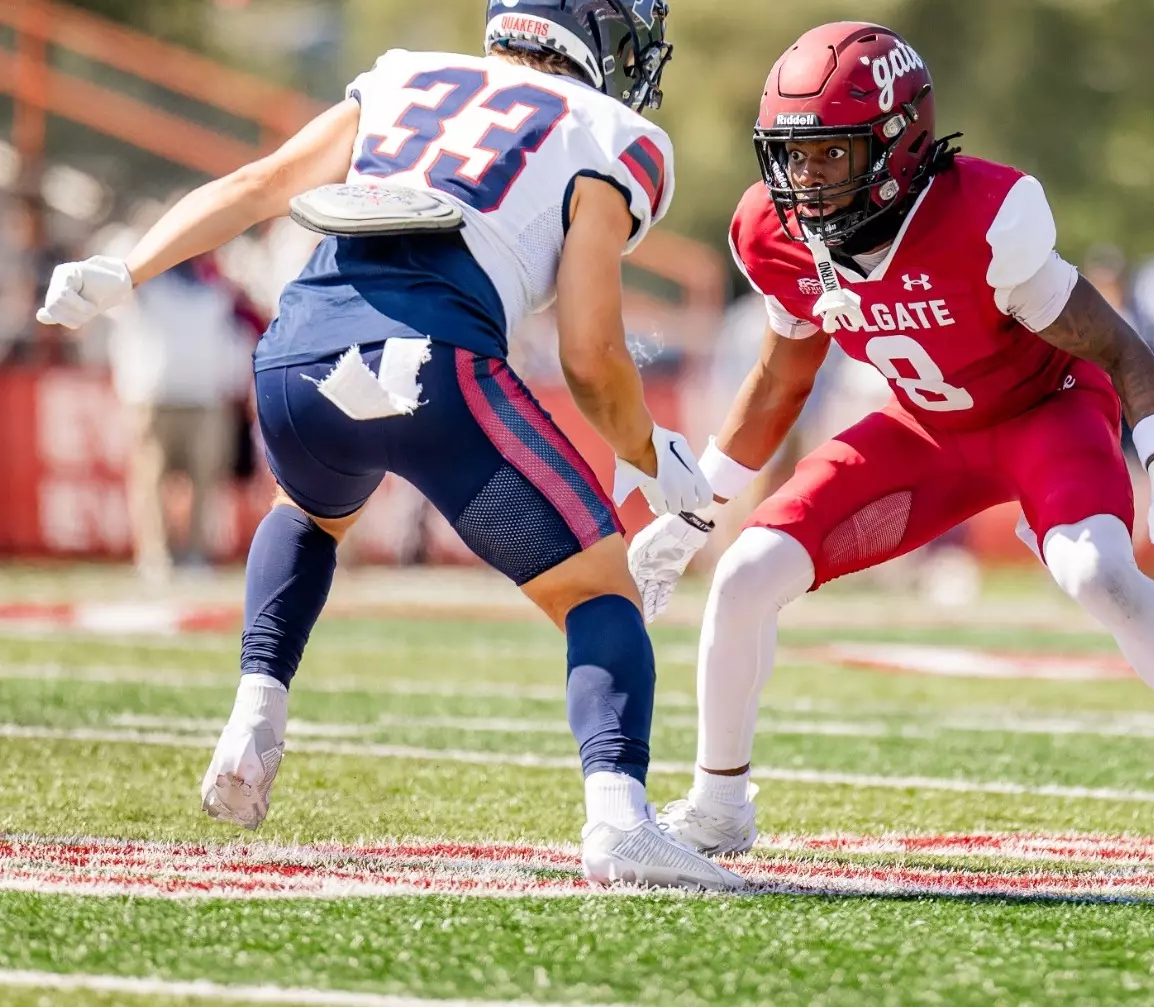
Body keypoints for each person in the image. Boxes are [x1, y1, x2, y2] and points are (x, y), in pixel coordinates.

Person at [36, 0, 740, 891]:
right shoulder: (609, 129)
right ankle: (619, 822)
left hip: (294, 356)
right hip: (435, 364)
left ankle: (254, 717)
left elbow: (262, 184)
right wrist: (647, 448)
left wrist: (125, 269)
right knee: (598, 591)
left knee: (311, 513)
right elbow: (593, 352)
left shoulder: (408, 73)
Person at [628, 22, 1154, 883]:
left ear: (898, 145)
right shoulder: (774, 234)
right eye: (790, 156)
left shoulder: (986, 215)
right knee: (743, 575)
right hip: (925, 426)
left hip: (1047, 413)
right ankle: (718, 802)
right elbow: (780, 384)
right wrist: (696, 504)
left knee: (1098, 574)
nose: (802, 182)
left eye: (829, 157)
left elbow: (1120, 352)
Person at [106, 242, 262, 580]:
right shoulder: (146, 285)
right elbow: (115, 277)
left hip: (206, 398)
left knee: (205, 484)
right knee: (152, 480)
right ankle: (156, 557)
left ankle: (196, 554)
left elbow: (247, 330)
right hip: (154, 396)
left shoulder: (217, 290)